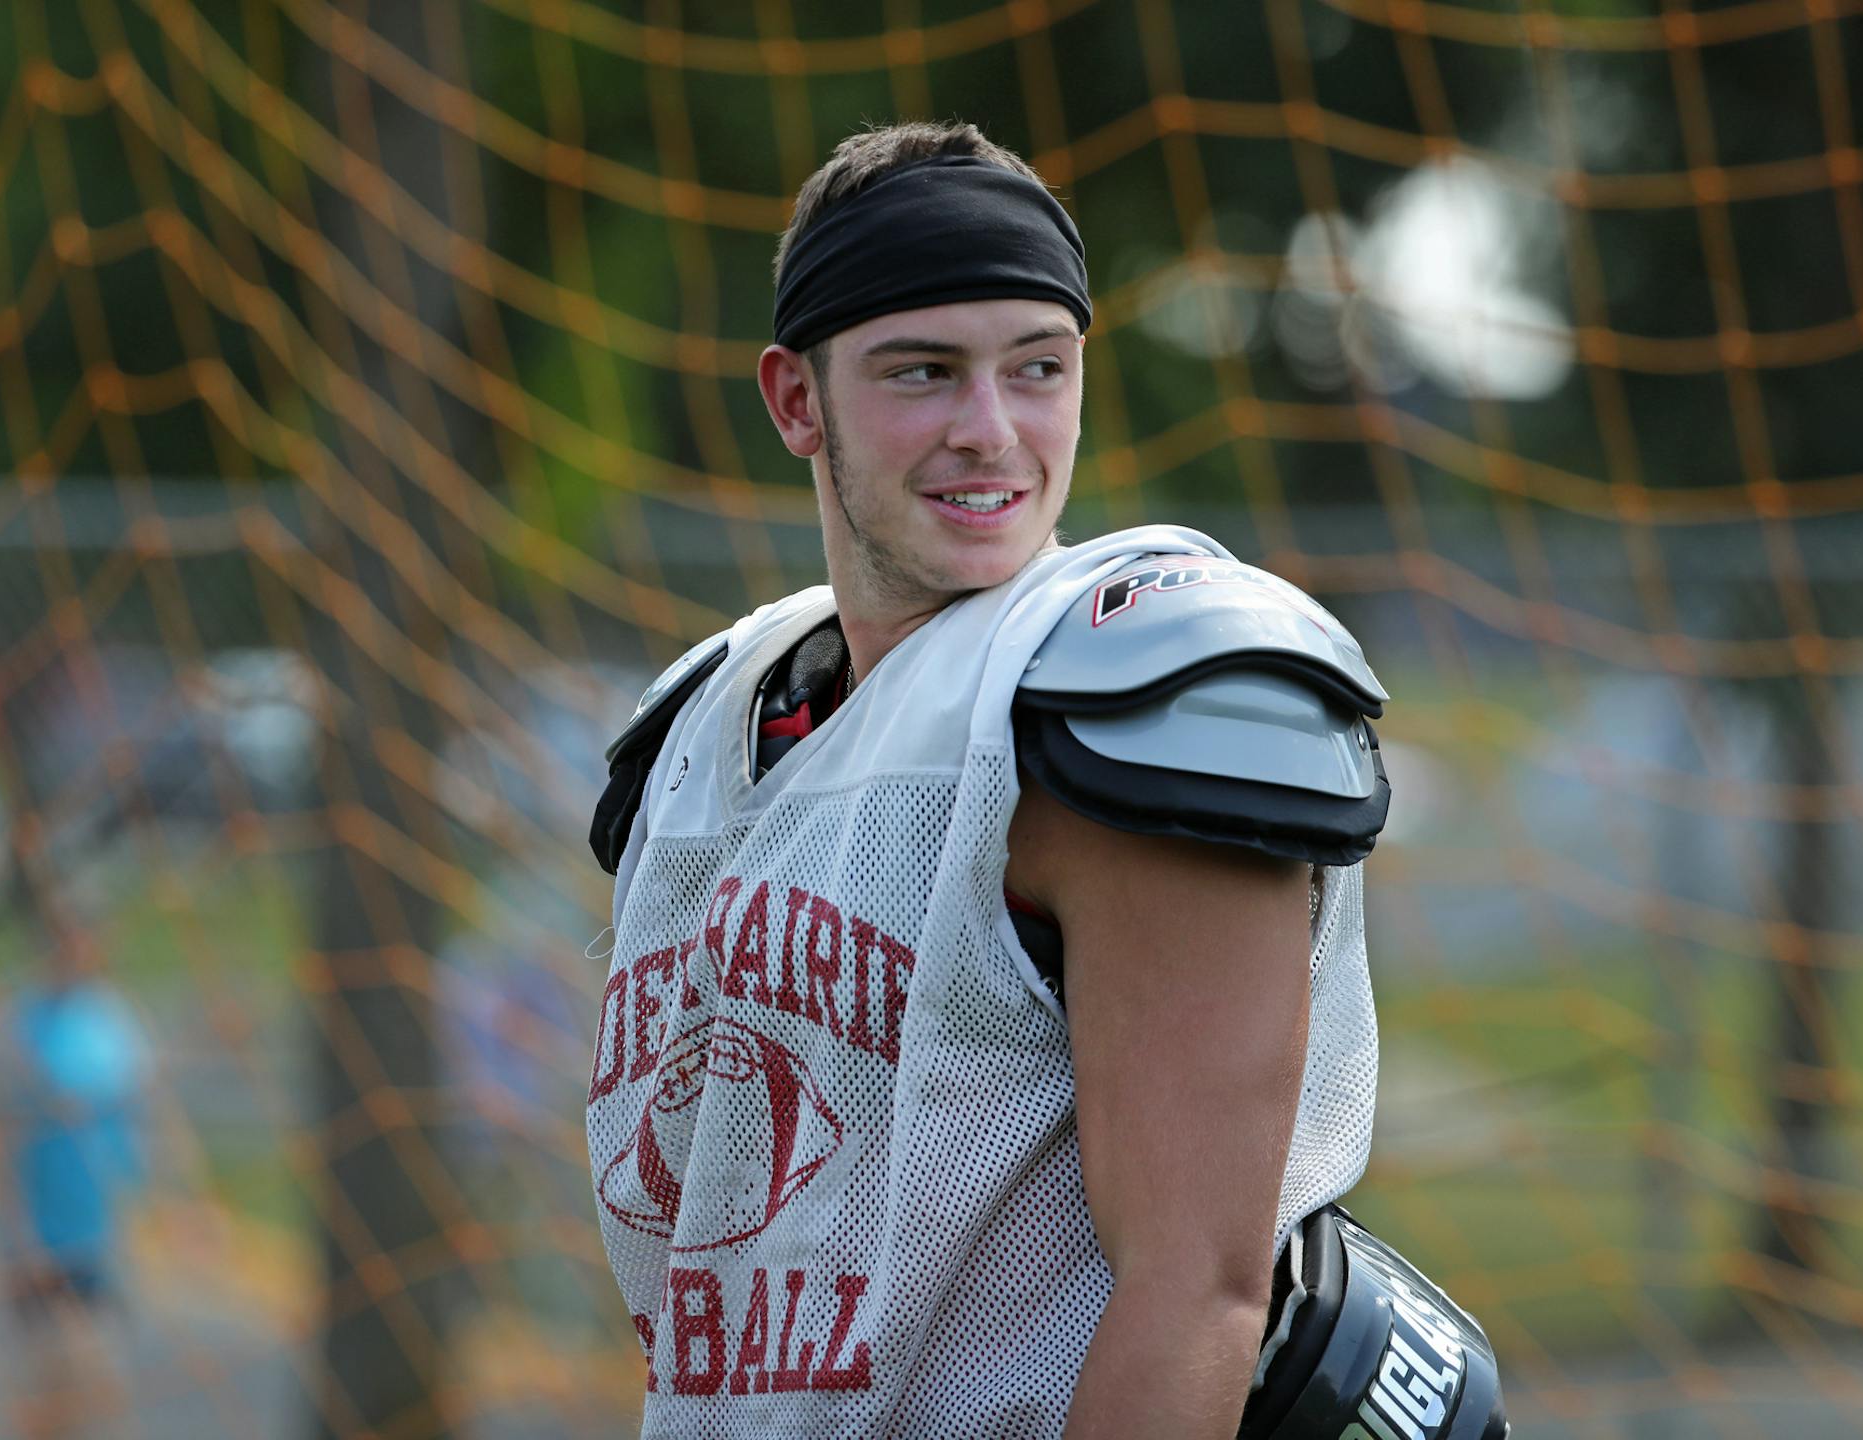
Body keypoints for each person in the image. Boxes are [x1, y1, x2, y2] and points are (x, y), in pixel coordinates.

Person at [585, 122, 1504, 1438]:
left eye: (1036, 368)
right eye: (922, 372)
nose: (990, 431)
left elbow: (1197, 1293)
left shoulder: (1135, 703)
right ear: (798, 401)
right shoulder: (710, 729)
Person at [0, 899, 152, 1439]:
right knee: (61, 1385)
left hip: (99, 1231)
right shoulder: (27, 1024)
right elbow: (2, 1142)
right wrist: (19, 1240)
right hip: (43, 1236)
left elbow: (136, 1124)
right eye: (62, 939)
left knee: (91, 1393)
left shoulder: (113, 1021)